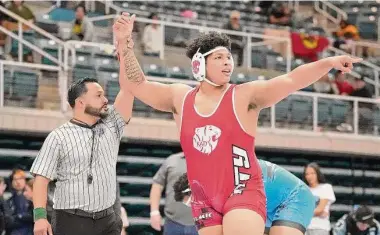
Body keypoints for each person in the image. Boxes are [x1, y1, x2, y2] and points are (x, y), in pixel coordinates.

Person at [113, 12, 362, 235]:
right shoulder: (180, 97)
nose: (227, 63)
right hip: (204, 197)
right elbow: (136, 84)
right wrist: (124, 45)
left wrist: (328, 63)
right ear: (199, 65)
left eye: (229, 57)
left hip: (243, 188)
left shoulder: (244, 95)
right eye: (219, 57)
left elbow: (291, 79)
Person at [30, 77, 134, 235]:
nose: (105, 100)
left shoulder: (112, 126)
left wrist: (125, 54)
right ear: (80, 102)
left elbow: (128, 89)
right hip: (70, 220)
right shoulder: (58, 136)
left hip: (108, 220)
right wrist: (39, 218)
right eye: (98, 96)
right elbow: (40, 180)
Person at [174, 159, 315, 235]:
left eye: (192, 203)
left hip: (294, 196)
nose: (195, 208)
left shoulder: (218, 184)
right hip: (266, 203)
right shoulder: (213, 189)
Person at [149, 152, 198, 235]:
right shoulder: (171, 160)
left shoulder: (212, 162)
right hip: (173, 224)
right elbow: (157, 185)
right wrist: (154, 212)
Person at [304, 163, 336, 235]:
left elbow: (320, 209)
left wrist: (305, 212)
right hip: (305, 228)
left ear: (318, 174)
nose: (309, 176)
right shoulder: (304, 189)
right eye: (307, 174)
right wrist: (317, 212)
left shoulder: (326, 187)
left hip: (320, 228)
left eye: (312, 173)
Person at [6, 169, 33, 235]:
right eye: (15, 179)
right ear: (11, 182)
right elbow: (8, 221)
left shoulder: (31, 198)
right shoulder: (9, 201)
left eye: (20, 178)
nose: (18, 182)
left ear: (24, 181)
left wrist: (18, 216)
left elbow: (34, 216)